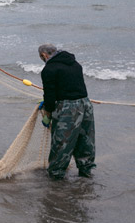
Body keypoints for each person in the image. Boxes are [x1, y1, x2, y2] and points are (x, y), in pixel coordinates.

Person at [38, 44, 96, 180]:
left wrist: (47, 114)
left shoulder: (49, 69)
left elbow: (50, 95)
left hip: (67, 109)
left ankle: (56, 176)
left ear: (44, 55)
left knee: (62, 143)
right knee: (85, 139)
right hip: (85, 104)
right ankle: (86, 171)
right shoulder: (75, 64)